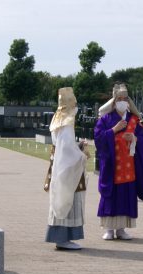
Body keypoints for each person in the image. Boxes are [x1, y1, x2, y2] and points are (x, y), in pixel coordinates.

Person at [94, 83, 143, 240]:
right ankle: (109, 229)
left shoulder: (134, 120)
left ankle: (121, 229)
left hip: (128, 167)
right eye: (119, 98)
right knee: (111, 196)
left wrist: (134, 139)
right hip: (113, 165)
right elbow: (98, 139)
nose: (122, 101)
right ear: (114, 101)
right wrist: (114, 130)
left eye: (125, 99)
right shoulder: (105, 120)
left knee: (126, 195)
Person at [44, 87, 88, 250]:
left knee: (60, 197)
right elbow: (67, 148)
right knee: (66, 198)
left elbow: (63, 145)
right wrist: (81, 154)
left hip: (60, 164)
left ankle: (63, 237)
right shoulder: (67, 123)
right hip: (66, 167)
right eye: (75, 104)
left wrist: (77, 147)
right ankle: (62, 238)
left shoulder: (57, 119)